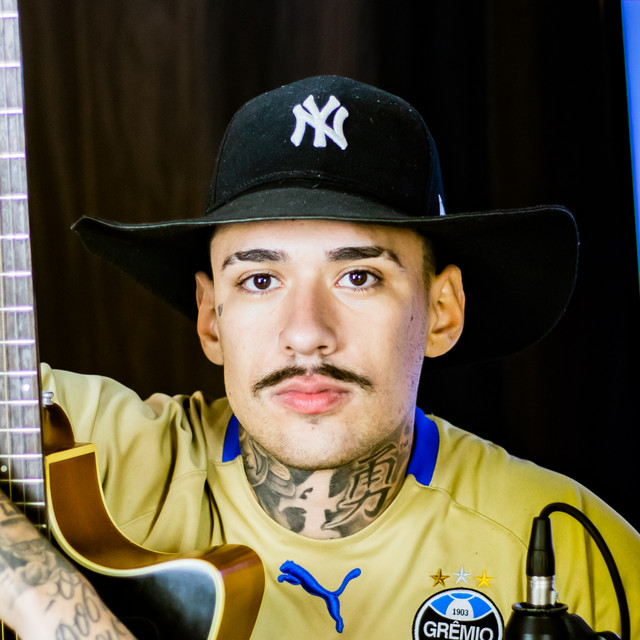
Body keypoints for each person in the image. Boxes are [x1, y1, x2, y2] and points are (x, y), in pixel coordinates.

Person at [1, 75, 638, 639]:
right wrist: (49, 603)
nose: (306, 333)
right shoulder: (85, 455)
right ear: (210, 317)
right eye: (260, 280)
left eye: (358, 277)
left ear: (442, 311)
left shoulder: (574, 550)